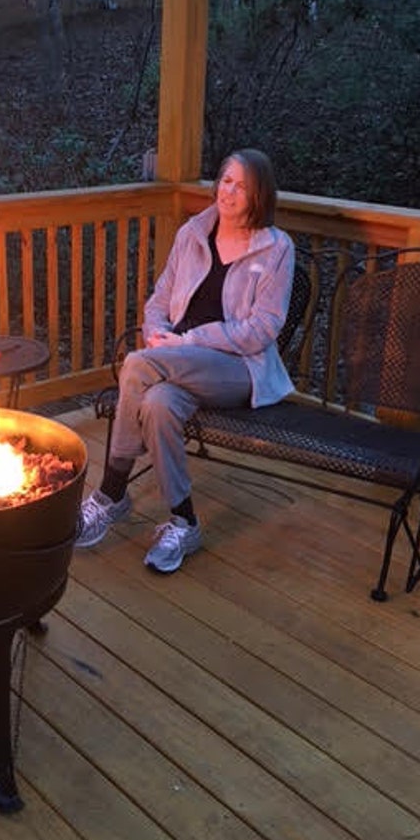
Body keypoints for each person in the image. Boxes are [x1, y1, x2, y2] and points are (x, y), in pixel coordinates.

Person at [75, 148, 295, 573]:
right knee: (157, 404)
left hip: (238, 369)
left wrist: (187, 340)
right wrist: (159, 333)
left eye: (242, 187)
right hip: (175, 360)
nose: (229, 192)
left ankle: (111, 491)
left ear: (259, 196)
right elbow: (160, 298)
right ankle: (185, 521)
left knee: (137, 365)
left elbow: (263, 329)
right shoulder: (194, 232)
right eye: (226, 180)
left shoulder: (276, 249)